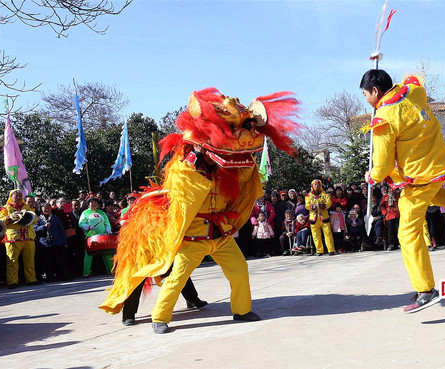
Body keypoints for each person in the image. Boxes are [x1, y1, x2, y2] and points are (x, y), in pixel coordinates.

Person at [100, 87, 300, 334]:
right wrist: (196, 155)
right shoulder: (184, 167)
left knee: (239, 270)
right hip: (193, 236)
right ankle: (160, 317)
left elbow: (247, 178)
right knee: (176, 277)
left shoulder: (229, 169)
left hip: (221, 234)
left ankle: (241, 309)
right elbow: (182, 188)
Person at [360, 69, 445, 313]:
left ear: (376, 92)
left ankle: (426, 289)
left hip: (418, 174)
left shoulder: (384, 118)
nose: (366, 99)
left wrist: (373, 176)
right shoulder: (414, 92)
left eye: (366, 94)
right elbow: (413, 77)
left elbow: (382, 164)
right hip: (437, 162)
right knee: (428, 191)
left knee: (407, 234)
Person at [0, 189, 39, 288]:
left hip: (28, 237)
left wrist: (26, 216)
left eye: (20, 195)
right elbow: (0, 222)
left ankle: (31, 279)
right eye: (16, 196)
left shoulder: (27, 207)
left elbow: (35, 219)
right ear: (10, 197)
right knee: (12, 261)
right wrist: (10, 217)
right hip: (13, 238)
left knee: (29, 261)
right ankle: (12, 282)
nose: (19, 197)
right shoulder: (4, 208)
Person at [35, 202, 71, 281]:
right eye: (44, 208)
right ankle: (50, 277)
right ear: (41, 209)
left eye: (48, 207)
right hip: (45, 244)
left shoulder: (56, 218)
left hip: (57, 242)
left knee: (60, 260)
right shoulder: (38, 219)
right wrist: (43, 227)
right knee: (47, 262)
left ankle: (63, 276)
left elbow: (62, 230)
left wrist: (64, 241)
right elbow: (35, 229)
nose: (46, 209)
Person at [78, 197, 113, 277]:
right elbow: (81, 223)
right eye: (92, 202)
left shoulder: (102, 212)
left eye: (96, 202)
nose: (94, 204)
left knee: (107, 253)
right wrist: (88, 227)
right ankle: (86, 272)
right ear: (88, 204)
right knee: (89, 254)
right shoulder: (85, 212)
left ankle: (111, 270)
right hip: (91, 236)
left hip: (103, 235)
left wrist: (108, 230)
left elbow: (107, 222)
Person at [306, 179, 336, 256]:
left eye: (318, 185)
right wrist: (313, 206)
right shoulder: (308, 196)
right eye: (315, 185)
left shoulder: (325, 194)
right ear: (312, 186)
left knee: (328, 234)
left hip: (324, 218)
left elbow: (329, 203)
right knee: (316, 236)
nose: (316, 186)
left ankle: (331, 250)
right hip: (314, 218)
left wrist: (322, 206)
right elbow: (306, 205)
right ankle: (319, 251)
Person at [380, 187, 400, 251]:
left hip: (398, 214)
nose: (391, 190)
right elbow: (382, 206)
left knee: (398, 229)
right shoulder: (386, 196)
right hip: (389, 215)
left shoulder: (398, 196)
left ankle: (399, 243)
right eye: (390, 189)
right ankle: (391, 244)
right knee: (390, 230)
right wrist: (384, 213)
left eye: (392, 189)